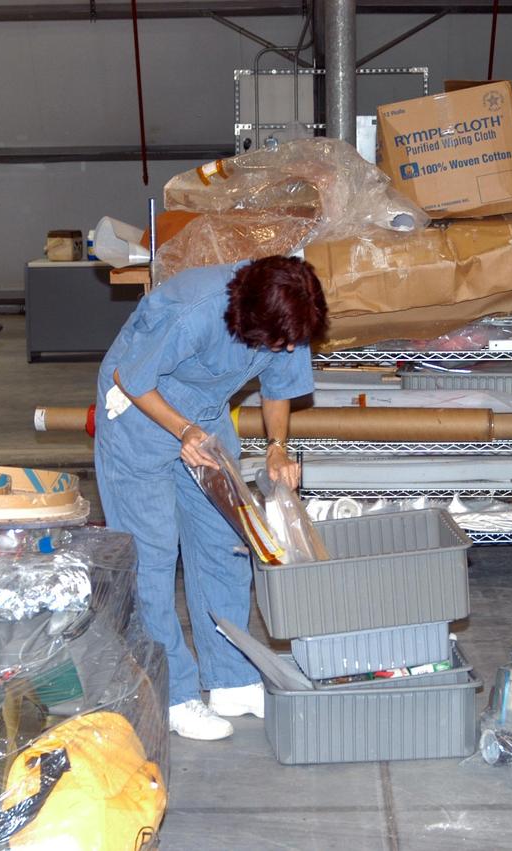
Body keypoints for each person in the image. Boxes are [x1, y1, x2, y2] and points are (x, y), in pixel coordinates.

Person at [94, 256, 328, 741]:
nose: (285, 349)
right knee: (153, 555)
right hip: (142, 408)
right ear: (245, 320)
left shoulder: (288, 313)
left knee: (226, 544)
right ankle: (172, 690)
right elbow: (131, 378)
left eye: (292, 342)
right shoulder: (193, 308)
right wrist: (183, 430)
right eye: (276, 341)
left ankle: (229, 678)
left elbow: (279, 385)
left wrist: (277, 448)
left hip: (205, 412)